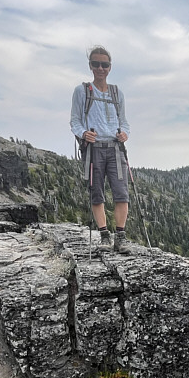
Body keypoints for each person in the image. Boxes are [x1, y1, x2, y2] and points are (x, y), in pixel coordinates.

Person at [70, 46, 131, 253]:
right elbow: (75, 121)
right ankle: (105, 235)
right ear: (90, 66)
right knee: (97, 193)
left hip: (115, 147)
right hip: (94, 149)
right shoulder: (82, 91)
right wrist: (83, 134)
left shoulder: (117, 93)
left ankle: (119, 237)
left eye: (104, 64)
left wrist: (125, 134)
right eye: (96, 64)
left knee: (121, 193)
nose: (100, 68)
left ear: (110, 67)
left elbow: (124, 122)